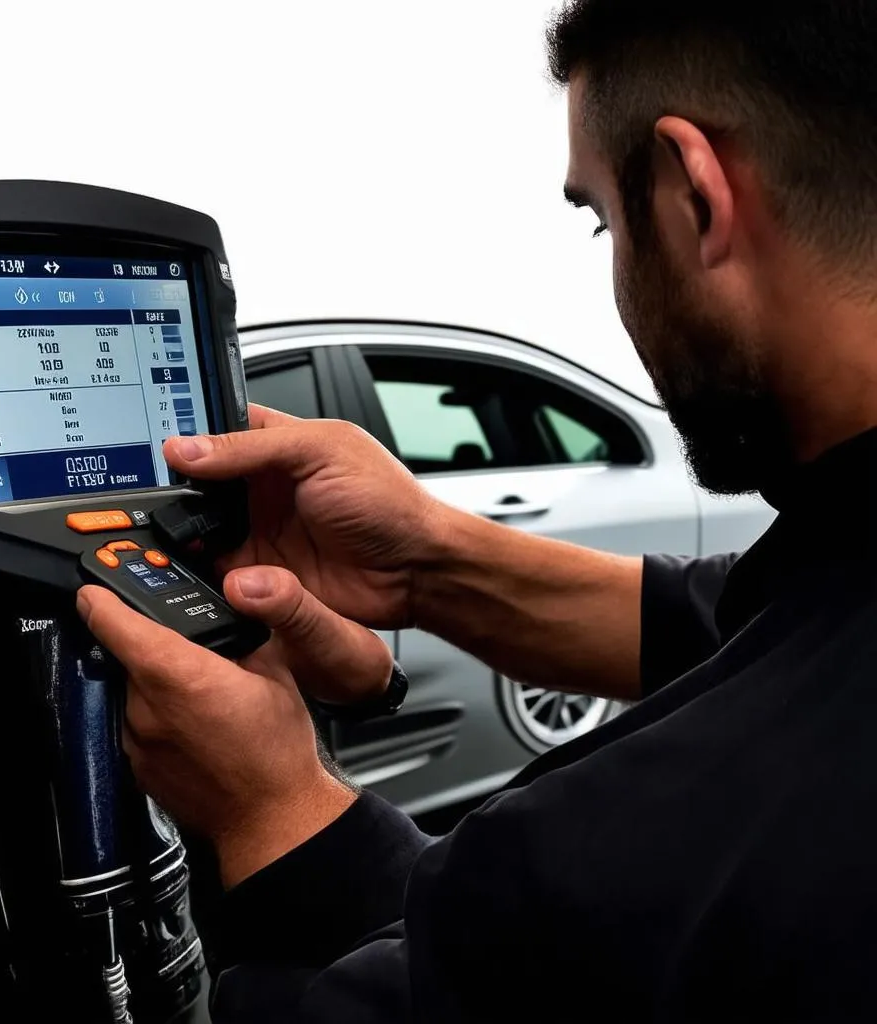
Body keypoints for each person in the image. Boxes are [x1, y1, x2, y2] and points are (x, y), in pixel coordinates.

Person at [78, 2, 877, 1020]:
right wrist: (424, 566)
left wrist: (269, 808)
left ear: (691, 193)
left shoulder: (668, 840)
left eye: (603, 220)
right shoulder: (832, 570)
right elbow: (731, 617)